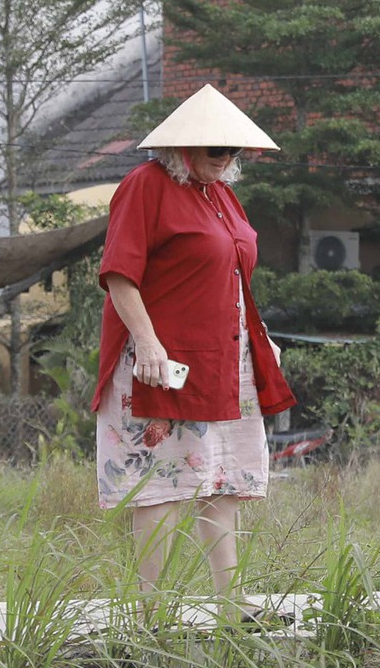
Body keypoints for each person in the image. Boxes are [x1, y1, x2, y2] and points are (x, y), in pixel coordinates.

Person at [93, 84, 296, 597]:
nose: (226, 159)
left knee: (223, 480)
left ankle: (231, 602)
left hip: (226, 358)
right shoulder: (146, 185)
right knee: (160, 485)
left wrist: (260, 336)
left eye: (232, 151)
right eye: (215, 149)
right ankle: (149, 609)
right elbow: (119, 273)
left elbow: (232, 278)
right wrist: (149, 343)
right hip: (162, 360)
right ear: (183, 147)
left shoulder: (223, 196)